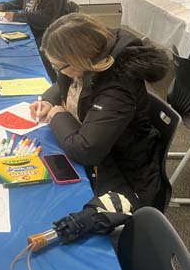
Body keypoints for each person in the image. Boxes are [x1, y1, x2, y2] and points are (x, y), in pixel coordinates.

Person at [30, 13, 170, 210]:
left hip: (122, 176)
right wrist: (47, 100)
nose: (58, 71)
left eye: (59, 66)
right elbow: (63, 82)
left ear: (78, 59)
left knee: (47, 204)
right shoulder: (88, 61)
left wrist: (58, 116)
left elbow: (87, 150)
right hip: (103, 155)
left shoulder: (117, 88)